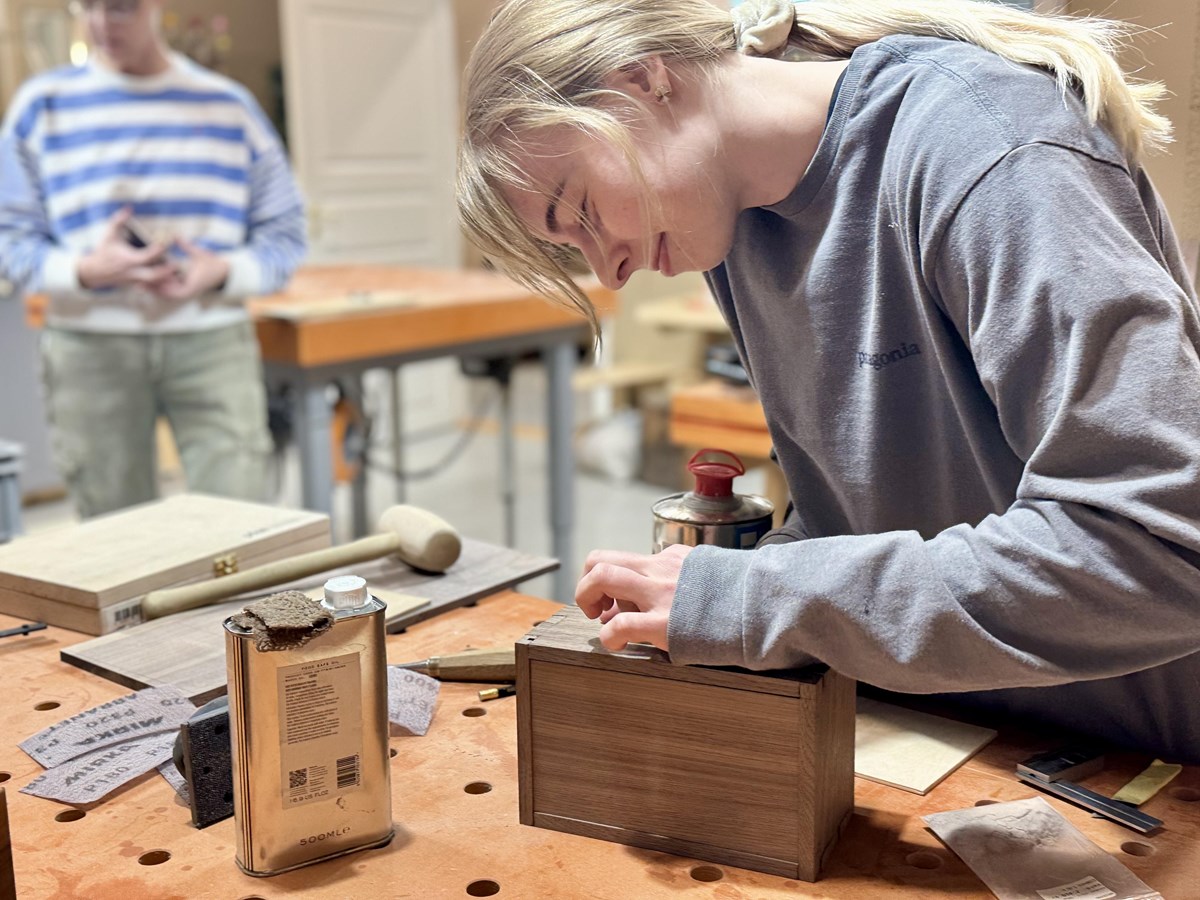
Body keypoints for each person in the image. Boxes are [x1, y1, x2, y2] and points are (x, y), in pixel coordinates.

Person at [457, 0, 1200, 763]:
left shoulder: (991, 150)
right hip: (949, 739)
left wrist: (755, 598)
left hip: (1139, 767)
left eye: (580, 209)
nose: (609, 268)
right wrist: (719, 590)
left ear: (644, 78)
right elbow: (863, 522)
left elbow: (1162, 550)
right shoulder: (735, 225)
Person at [0, 0, 305, 518]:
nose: (99, 24)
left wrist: (222, 271)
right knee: (114, 534)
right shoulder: (40, 106)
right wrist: (82, 270)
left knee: (239, 525)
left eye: (119, 8)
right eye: (87, 6)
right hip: (91, 347)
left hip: (210, 339)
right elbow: (9, 239)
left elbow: (286, 235)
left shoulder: (229, 107)